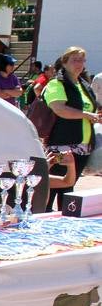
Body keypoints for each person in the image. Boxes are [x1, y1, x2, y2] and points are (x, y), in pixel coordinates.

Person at [43, 46, 102, 208]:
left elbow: (91, 110)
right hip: (61, 144)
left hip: (82, 147)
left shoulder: (83, 85)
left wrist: (95, 117)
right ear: (64, 62)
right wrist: (86, 115)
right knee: (53, 187)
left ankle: (65, 222)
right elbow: (60, 109)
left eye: (82, 60)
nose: (79, 64)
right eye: (75, 60)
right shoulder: (57, 83)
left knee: (69, 189)